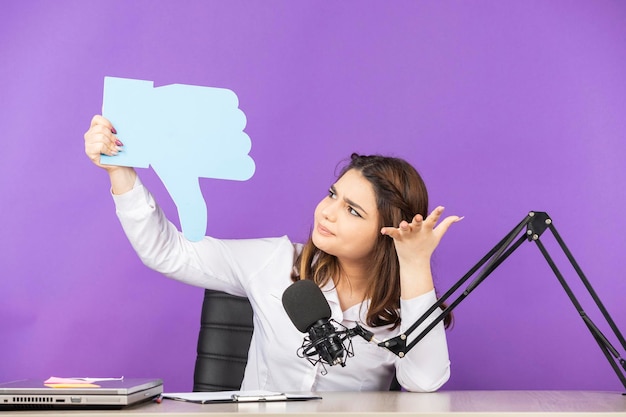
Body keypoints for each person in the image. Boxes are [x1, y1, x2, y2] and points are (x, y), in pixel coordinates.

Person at [84, 115, 462, 392]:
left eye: (353, 210)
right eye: (333, 195)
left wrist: (414, 263)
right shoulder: (276, 261)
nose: (328, 212)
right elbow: (167, 252)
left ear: (386, 233)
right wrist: (120, 172)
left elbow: (424, 381)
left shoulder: (402, 311)